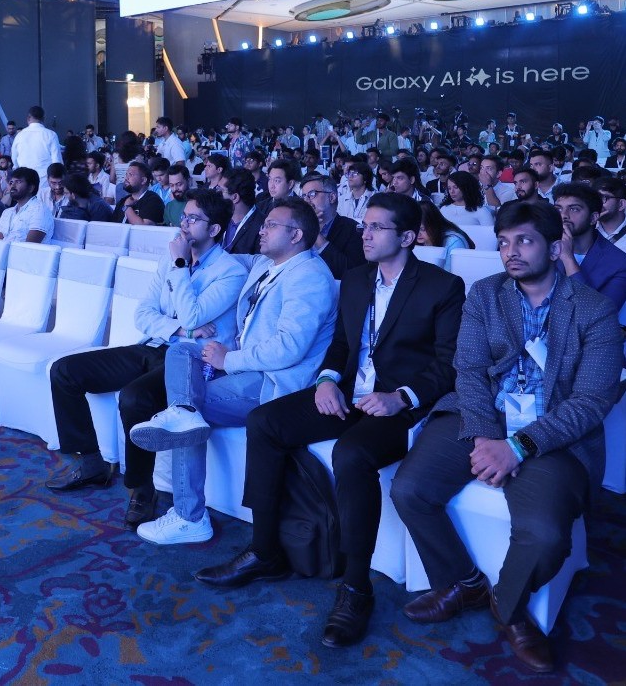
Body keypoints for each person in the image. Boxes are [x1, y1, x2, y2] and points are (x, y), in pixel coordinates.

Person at [195, 193, 465, 650]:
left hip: (400, 404)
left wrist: (400, 397)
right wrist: (326, 380)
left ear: (406, 237)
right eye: (365, 226)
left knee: (352, 453)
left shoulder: (442, 286)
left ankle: (356, 586)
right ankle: (264, 549)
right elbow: (341, 344)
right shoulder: (357, 279)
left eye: (377, 227)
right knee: (266, 421)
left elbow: (447, 364)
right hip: (349, 392)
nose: (366, 234)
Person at [391, 201, 622, 674]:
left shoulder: (594, 310)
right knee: (410, 489)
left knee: (545, 535)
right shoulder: (485, 294)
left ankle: (510, 608)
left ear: (554, 248)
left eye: (524, 241)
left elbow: (590, 402)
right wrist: (483, 437)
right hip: (482, 416)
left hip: (554, 433)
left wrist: (518, 446)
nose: (510, 251)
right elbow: (469, 371)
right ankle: (461, 582)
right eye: (502, 242)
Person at [130, 197, 338, 545]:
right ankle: (182, 414)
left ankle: (189, 516)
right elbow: (222, 260)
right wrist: (184, 253)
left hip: (275, 382)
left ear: (296, 235)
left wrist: (229, 359)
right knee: (182, 352)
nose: (261, 230)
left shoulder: (310, 277)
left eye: (271, 225)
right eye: (264, 223)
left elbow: (288, 348)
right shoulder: (267, 263)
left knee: (189, 411)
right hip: (250, 370)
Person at [46, 189, 247, 529]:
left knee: (134, 398)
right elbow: (143, 313)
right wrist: (182, 328)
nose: (183, 223)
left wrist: (180, 267)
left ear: (214, 230)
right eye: (184, 216)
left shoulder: (230, 271)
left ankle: (142, 488)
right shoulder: (170, 259)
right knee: (65, 370)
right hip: (156, 345)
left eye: (193, 219)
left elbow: (193, 313)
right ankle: (90, 461)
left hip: (190, 361)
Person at [552, 182, 626, 311]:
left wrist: (568, 258)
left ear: (593, 218)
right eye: (558, 209)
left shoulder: (620, 263)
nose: (563, 215)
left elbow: (599, 314)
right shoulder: (543, 249)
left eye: (574, 209)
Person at [299, 175, 366, 279]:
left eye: (312, 194)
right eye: (304, 196)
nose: (306, 201)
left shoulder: (353, 229)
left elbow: (352, 272)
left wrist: (315, 233)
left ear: (332, 197)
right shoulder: (299, 228)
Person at [0, 167, 55, 243]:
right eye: (11, 182)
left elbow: (29, 246)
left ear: (30, 188)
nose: (12, 186)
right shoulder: (7, 212)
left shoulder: (40, 210)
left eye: (18, 182)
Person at [11, 106, 62, 174]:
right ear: (43, 119)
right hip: (45, 177)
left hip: (24, 177)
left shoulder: (19, 135)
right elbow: (56, 160)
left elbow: (14, 157)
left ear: (28, 118)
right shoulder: (51, 135)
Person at [114, 162, 165, 226]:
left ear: (143, 180)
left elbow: (143, 227)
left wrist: (127, 207)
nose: (126, 178)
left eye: (131, 174)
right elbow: (112, 225)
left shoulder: (153, 201)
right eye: (126, 174)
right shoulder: (123, 201)